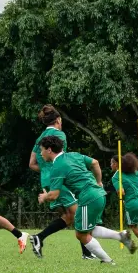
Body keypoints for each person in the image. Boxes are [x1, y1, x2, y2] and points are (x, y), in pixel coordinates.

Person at [38, 136, 138, 265]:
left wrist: (44, 197)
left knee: (81, 235)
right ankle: (121, 236)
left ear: (49, 150)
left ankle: (108, 261)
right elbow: (95, 163)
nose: (41, 153)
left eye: (41, 150)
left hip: (88, 197)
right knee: (88, 229)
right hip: (98, 194)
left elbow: (54, 195)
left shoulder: (57, 166)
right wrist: (99, 182)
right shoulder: (73, 155)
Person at [29, 105, 96, 260]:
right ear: (58, 120)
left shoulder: (40, 139)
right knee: (80, 212)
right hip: (60, 180)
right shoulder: (60, 135)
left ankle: (39, 238)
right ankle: (87, 253)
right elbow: (62, 161)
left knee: (69, 216)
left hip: (46, 181)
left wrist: (47, 172)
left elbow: (32, 164)